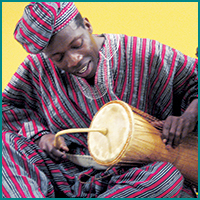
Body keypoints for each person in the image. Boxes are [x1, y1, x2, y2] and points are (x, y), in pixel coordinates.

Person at [2, 2, 198, 198]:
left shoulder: (142, 52)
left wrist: (189, 115)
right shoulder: (37, 68)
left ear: (87, 25)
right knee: (5, 144)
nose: (74, 60)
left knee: (166, 177)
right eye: (59, 57)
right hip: (67, 173)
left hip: (130, 179)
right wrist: (41, 136)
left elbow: (194, 80)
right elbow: (8, 107)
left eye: (77, 45)